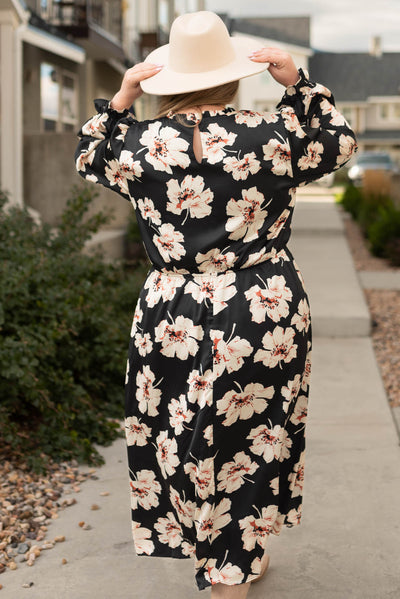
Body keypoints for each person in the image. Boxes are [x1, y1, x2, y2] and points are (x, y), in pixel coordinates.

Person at [74, 11, 357, 598]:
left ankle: (224, 555)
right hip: (262, 303)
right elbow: (340, 143)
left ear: (168, 78)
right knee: (255, 431)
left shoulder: (137, 143)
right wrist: (298, 83)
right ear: (232, 75)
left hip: (171, 308)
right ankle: (237, 554)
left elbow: (88, 154)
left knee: (178, 432)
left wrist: (123, 96)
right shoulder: (275, 135)